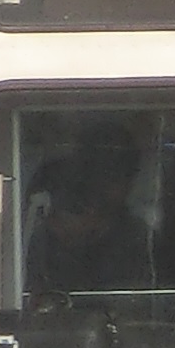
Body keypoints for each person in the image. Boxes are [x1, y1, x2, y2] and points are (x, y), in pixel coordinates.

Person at [25, 124, 153, 296]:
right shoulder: (44, 235)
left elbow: (138, 298)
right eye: (102, 172)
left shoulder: (136, 236)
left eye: (121, 175)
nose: (108, 185)